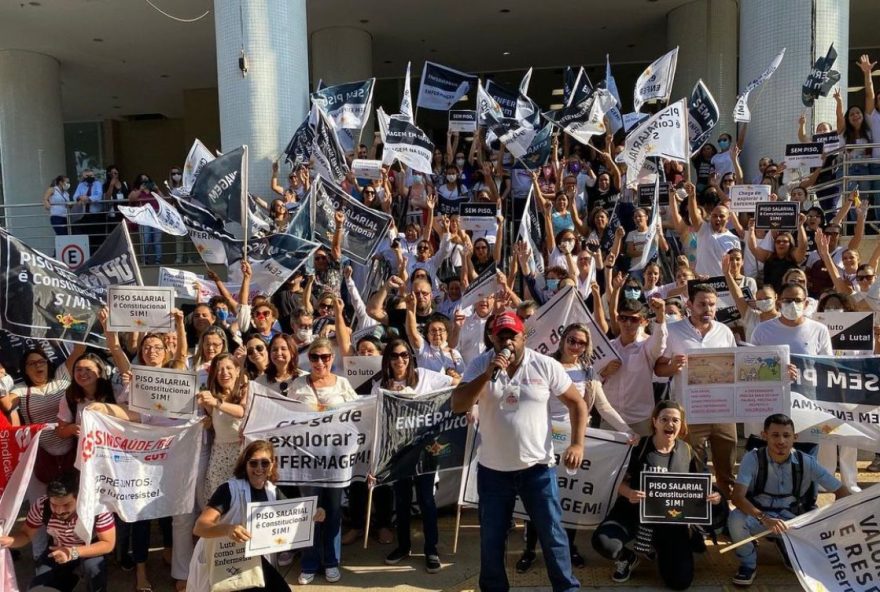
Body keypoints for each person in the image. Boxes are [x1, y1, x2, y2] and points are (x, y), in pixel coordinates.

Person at [452, 311, 588, 592]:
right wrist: (487, 376)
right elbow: (458, 404)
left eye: (512, 335)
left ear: (524, 336)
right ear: (491, 337)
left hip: (537, 469)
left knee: (553, 536)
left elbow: (578, 404)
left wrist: (577, 443)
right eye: (500, 335)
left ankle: (567, 589)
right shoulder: (480, 365)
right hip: (493, 473)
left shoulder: (545, 365)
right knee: (491, 540)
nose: (507, 341)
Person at [517, 323, 637, 574]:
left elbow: (603, 407)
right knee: (538, 495)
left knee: (570, 497)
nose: (575, 346)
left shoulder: (588, 373)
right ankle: (529, 549)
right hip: (543, 439)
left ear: (586, 347)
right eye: (571, 340)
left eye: (581, 343)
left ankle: (568, 548)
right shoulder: (543, 365)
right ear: (562, 340)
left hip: (575, 443)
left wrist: (626, 430)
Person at [591, 401, 722, 589]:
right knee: (604, 543)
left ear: (681, 425)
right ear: (655, 422)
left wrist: (711, 497)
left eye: (675, 420)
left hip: (670, 519)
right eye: (664, 419)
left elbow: (701, 485)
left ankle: (659, 547)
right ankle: (628, 557)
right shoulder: (639, 447)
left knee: (680, 582)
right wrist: (628, 492)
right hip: (634, 512)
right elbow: (614, 479)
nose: (670, 424)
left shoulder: (687, 451)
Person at [728, 414, 850, 586]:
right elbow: (737, 498)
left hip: (794, 520)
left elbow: (842, 491)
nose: (781, 441)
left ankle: (787, 546)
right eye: (775, 435)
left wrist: (828, 520)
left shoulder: (807, 462)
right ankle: (748, 563)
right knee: (735, 519)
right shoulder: (752, 458)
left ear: (795, 437)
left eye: (786, 435)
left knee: (815, 560)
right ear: (764, 436)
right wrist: (765, 519)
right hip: (761, 517)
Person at [189, 440, 325, 592]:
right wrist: (227, 529)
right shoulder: (229, 489)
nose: (259, 468)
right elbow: (200, 527)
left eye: (265, 463)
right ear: (245, 464)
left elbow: (296, 514)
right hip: (224, 558)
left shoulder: (272, 491)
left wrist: (315, 512)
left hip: (254, 560)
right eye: (253, 463)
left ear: (272, 464)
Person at [371, 339, 454, 573]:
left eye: (405, 355)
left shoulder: (426, 376)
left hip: (426, 451)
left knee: (427, 500)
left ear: (411, 357)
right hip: (398, 454)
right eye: (395, 356)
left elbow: (456, 384)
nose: (400, 360)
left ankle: (431, 549)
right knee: (403, 501)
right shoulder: (380, 386)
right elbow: (377, 424)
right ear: (388, 359)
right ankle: (404, 546)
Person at [655, 284, 738, 497]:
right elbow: (658, 369)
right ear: (689, 305)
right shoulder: (673, 332)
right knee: (693, 469)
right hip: (690, 413)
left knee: (726, 470)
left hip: (723, 412)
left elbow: (736, 368)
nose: (707, 309)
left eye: (711, 304)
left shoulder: (725, 332)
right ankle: (696, 517)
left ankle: (724, 517)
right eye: (702, 304)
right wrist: (672, 367)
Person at [287, 338, 357, 585]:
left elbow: (358, 416)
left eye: (325, 357)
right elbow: (285, 419)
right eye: (315, 357)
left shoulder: (344, 384)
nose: (320, 362)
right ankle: (309, 563)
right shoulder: (297, 385)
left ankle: (331, 561)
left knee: (334, 511)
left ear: (332, 358)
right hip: (306, 461)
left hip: (336, 461)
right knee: (309, 511)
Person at [0, 472, 116, 592]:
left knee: (94, 569)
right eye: (54, 505)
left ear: (80, 498)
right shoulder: (42, 505)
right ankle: (69, 579)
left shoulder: (97, 508)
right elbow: (26, 534)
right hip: (58, 547)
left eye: (66, 505)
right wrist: (10, 541)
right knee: (37, 588)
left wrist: (73, 552)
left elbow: (108, 543)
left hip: (89, 547)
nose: (59, 511)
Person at [596, 297, 668, 436]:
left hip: (640, 419)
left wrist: (660, 316)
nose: (628, 323)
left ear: (642, 322)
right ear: (617, 319)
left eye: (634, 319)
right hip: (611, 418)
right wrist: (604, 372)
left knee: (639, 458)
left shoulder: (646, 347)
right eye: (623, 318)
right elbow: (591, 380)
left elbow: (659, 343)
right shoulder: (607, 347)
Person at [197, 354, 248, 508]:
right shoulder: (212, 396)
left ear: (238, 370)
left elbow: (242, 411)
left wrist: (216, 403)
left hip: (241, 455)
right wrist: (207, 421)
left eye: (228, 368)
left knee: (240, 502)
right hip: (219, 455)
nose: (224, 373)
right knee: (218, 504)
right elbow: (214, 423)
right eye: (219, 370)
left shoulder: (247, 389)